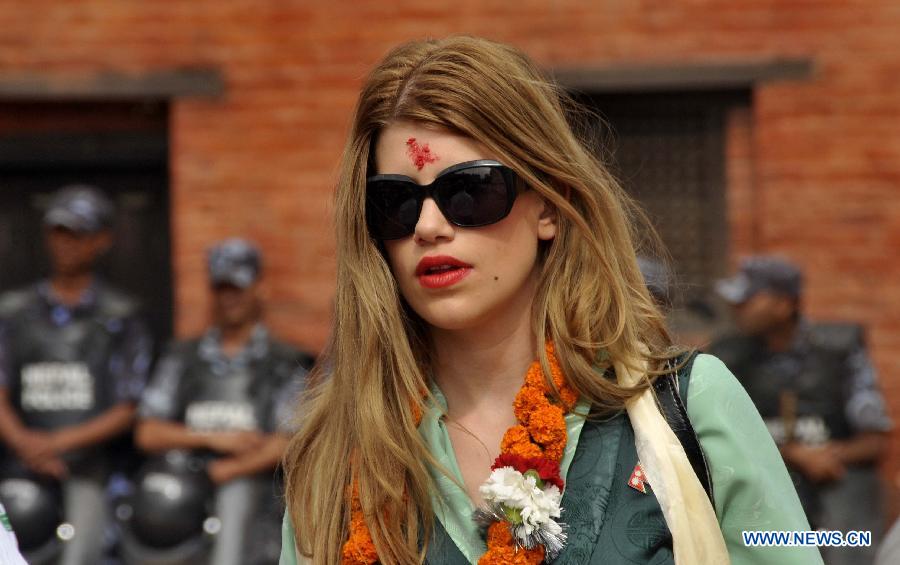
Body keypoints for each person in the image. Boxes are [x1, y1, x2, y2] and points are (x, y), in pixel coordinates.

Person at [279, 36, 821, 565]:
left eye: (468, 190)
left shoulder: (688, 407)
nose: (428, 226)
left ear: (548, 207)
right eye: (396, 201)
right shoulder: (335, 454)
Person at [0, 184, 154, 565]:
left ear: (101, 240)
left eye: (78, 233)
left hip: (91, 466)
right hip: (18, 459)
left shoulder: (121, 316)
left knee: (85, 550)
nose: (66, 243)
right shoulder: (14, 312)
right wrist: (26, 444)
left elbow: (130, 406)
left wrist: (56, 443)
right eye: (59, 232)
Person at [134, 238, 311, 565]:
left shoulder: (285, 363)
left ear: (259, 288)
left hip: (254, 494)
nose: (229, 298)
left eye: (238, 288)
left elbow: (290, 442)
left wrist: (227, 470)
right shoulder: (182, 358)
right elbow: (147, 433)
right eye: (221, 288)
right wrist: (213, 438)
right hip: (180, 486)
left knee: (237, 496)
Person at [710, 255, 891, 564]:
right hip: (759, 490)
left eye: (749, 299)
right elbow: (712, 436)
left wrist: (825, 456)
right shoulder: (725, 357)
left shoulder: (838, 352)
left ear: (784, 304)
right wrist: (794, 454)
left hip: (833, 486)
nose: (737, 308)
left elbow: (875, 440)